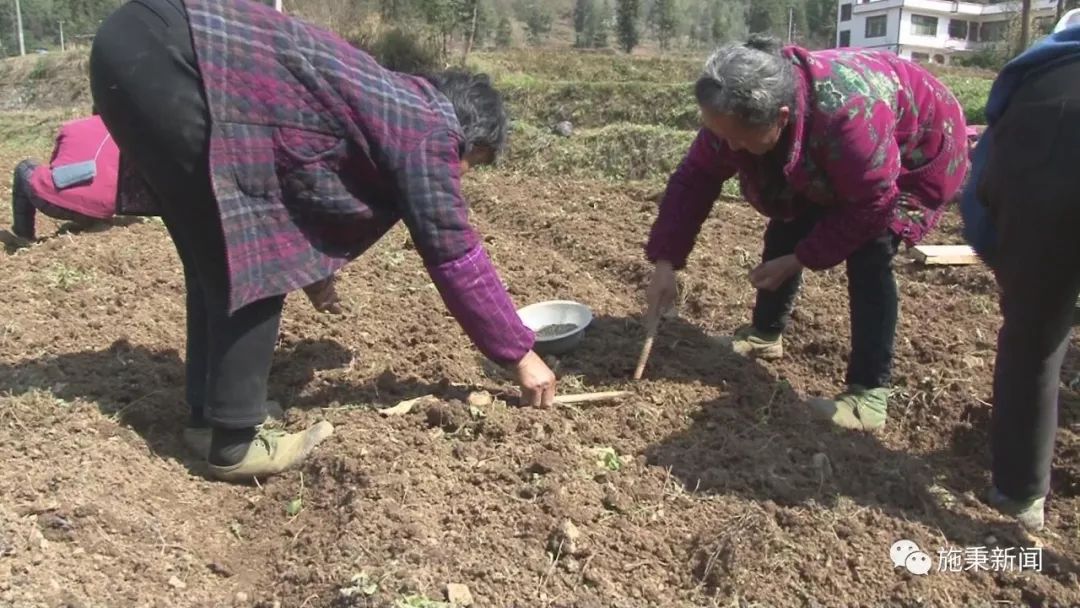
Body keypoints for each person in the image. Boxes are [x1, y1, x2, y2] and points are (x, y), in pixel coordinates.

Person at [89, 0, 557, 482]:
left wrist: (315, 274)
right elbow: (454, 250)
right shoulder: (430, 127)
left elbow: (306, 169)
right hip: (176, 54)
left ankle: (210, 418)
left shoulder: (387, 101)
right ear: (469, 138)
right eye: (472, 164)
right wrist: (520, 354)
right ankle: (235, 441)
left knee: (214, 256)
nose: (462, 176)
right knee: (252, 249)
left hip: (135, 45)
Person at [644, 36, 968, 431]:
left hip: (917, 148)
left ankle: (868, 393)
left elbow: (872, 204)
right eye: (722, 135)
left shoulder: (847, 118)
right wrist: (665, 262)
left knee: (871, 253)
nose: (728, 146)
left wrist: (802, 258)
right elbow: (696, 178)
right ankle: (765, 334)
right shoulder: (733, 112)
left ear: (780, 118)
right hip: (841, 146)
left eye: (739, 139)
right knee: (788, 212)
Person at [960, 21, 1080, 532]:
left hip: (1046, 136)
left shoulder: (1042, 68)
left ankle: (1019, 495)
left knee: (1034, 338)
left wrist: (1023, 283)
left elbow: (979, 195)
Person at [5, 114, 120, 245]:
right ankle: (95, 221)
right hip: (103, 209)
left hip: (56, 202)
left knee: (23, 167)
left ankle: (23, 235)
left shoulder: (72, 126)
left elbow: (54, 165)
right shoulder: (129, 136)